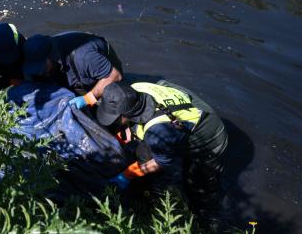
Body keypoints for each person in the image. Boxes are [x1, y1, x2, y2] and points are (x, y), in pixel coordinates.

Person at [96, 80, 228, 220]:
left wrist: (126, 175)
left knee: (198, 186)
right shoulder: (135, 89)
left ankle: (205, 221)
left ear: (127, 114)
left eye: (115, 118)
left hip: (209, 137)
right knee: (146, 151)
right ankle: (145, 186)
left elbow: (161, 162)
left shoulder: (158, 130)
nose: (112, 121)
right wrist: (128, 127)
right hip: (184, 113)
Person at [21, 31, 122, 110]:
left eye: (42, 67)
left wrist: (87, 99)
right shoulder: (35, 55)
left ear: (52, 56)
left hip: (101, 73)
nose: (39, 72)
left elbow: (115, 76)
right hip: (71, 70)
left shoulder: (84, 57)